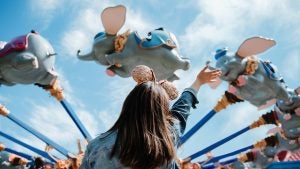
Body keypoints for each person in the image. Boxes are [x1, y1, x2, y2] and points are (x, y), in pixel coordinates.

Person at [80, 66, 221, 169]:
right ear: (162, 111)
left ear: (128, 105)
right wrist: (198, 82)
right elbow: (182, 108)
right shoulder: (167, 136)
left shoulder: (97, 146)